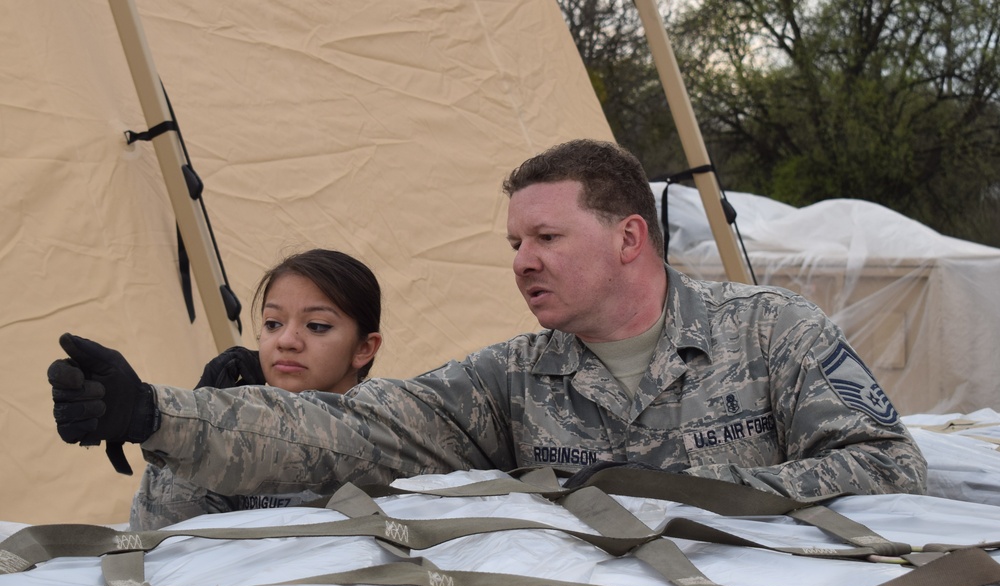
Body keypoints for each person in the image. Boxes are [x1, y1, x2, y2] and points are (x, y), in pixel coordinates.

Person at [48, 139, 926, 505]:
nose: (522, 261)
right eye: (514, 241)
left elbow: (889, 465)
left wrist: (692, 499)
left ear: (628, 238)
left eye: (546, 236)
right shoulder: (511, 377)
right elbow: (345, 430)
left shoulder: (772, 331)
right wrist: (156, 415)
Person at [130, 248, 383, 529]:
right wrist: (198, 429)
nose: (286, 341)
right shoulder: (237, 435)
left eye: (317, 326)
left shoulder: (386, 429)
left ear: (363, 348)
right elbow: (158, 532)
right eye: (272, 324)